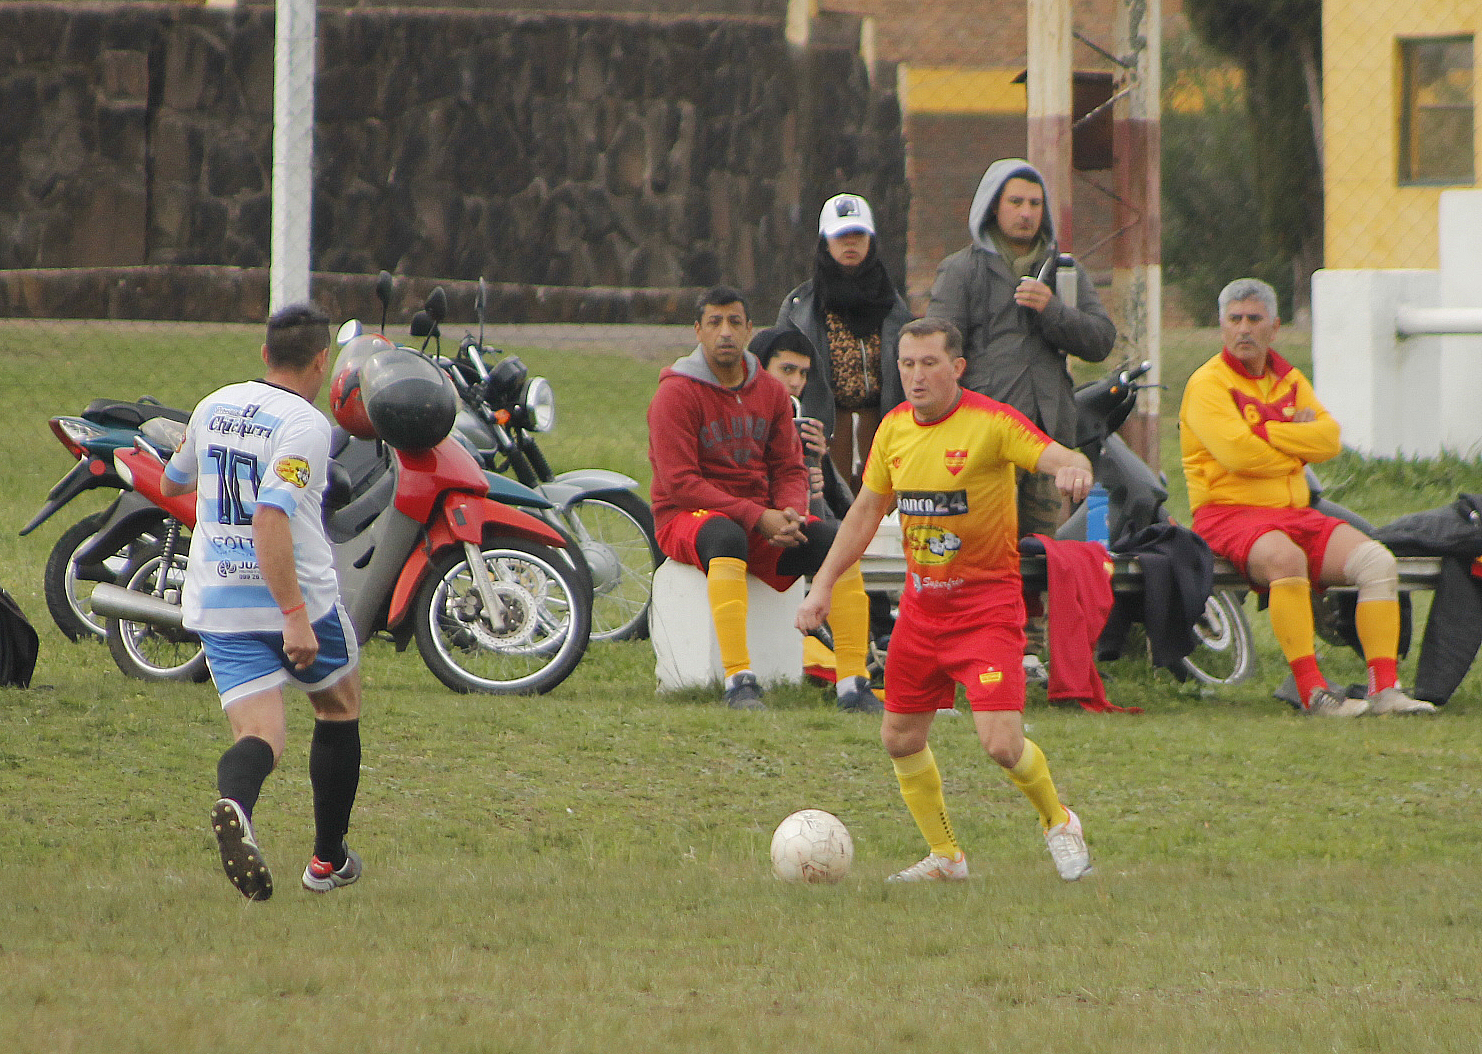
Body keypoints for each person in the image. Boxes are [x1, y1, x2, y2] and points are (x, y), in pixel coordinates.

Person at [796, 317, 1096, 882]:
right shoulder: (893, 430)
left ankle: (1060, 822)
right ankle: (947, 858)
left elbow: (1058, 456)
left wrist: (1074, 470)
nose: (915, 376)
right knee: (900, 737)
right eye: (906, 364)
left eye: (928, 363)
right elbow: (865, 512)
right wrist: (823, 585)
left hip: (986, 610)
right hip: (922, 612)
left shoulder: (990, 422)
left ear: (957, 368)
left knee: (1002, 745)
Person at [161, 303, 366, 900]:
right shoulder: (305, 425)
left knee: (260, 736)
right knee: (338, 707)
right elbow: (271, 514)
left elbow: (176, 481)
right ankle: (327, 861)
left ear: (264, 355)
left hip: (221, 599)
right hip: (294, 599)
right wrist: (296, 617)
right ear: (322, 362)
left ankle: (237, 806)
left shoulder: (214, 404)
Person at [1179, 278, 1435, 717]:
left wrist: (1266, 431)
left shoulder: (1290, 379)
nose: (1244, 329)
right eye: (1234, 319)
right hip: (1227, 514)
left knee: (1377, 562)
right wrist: (1296, 445)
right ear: (1221, 327)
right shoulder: (1207, 384)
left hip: (1294, 511)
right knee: (1285, 560)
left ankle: (1385, 690)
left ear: (1274, 328)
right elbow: (1238, 455)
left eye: (1254, 319)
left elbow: (1330, 439)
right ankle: (1312, 692)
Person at [648, 287, 880, 713]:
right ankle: (739, 680)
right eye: (714, 322)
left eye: (735, 322)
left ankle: (853, 684)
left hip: (760, 519)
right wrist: (759, 517)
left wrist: (791, 512)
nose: (725, 332)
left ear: (750, 329)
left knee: (836, 541)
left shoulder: (770, 392)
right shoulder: (675, 393)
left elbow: (789, 467)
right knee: (726, 535)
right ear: (697, 330)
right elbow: (680, 483)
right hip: (688, 519)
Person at [927, 159, 1116, 668]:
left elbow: (1101, 341)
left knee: (1039, 546)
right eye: (1015, 201)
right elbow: (936, 349)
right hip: (984, 433)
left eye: (1035, 203)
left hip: (1047, 434)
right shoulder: (961, 269)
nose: (1026, 213)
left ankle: (1027, 649)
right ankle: (979, 645)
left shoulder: (1065, 271)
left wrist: (1052, 309)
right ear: (992, 206)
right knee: (985, 544)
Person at [776, 192, 914, 492]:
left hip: (881, 427)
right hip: (824, 429)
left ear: (871, 241)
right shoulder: (800, 306)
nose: (850, 243)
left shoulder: (893, 305)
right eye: (841, 236)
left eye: (858, 235)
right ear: (825, 241)